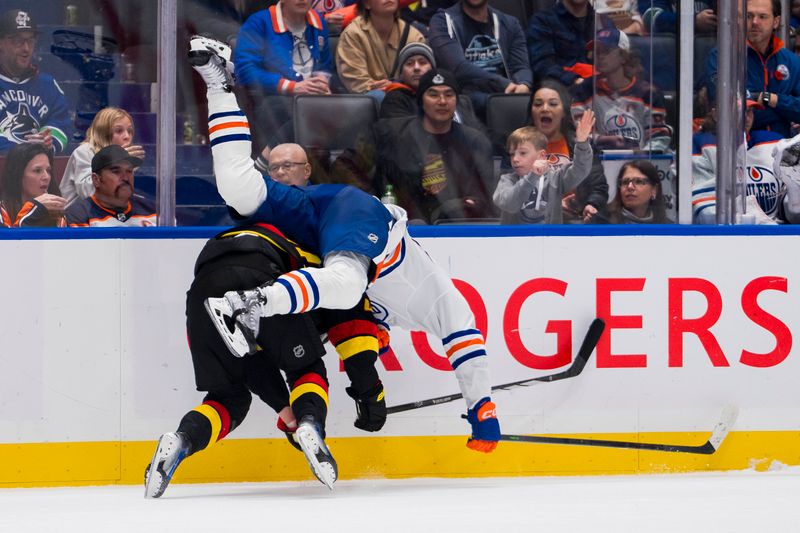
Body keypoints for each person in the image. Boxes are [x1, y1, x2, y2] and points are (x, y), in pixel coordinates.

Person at [189, 36, 501, 456]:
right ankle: (254, 303)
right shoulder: (440, 296)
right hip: (363, 219)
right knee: (347, 281)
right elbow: (467, 342)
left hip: (319, 217)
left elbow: (363, 325)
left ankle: (218, 84)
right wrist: (482, 406)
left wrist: (370, 369)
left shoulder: (390, 312)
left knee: (238, 189)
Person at [145, 220, 386, 497]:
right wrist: (368, 395)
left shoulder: (285, 225)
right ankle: (311, 423)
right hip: (263, 278)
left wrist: (285, 411)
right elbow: (352, 333)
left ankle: (181, 439)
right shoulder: (342, 266)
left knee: (228, 397)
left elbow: (252, 365)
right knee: (306, 369)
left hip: (202, 292)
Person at [373, 69, 496, 223]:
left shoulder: (475, 142)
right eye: (433, 94)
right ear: (421, 101)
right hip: (403, 227)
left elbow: (484, 199)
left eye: (449, 95)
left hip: (457, 229)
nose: (442, 101)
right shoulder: (394, 136)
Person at [231, 1, 334, 147]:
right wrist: (291, 87)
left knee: (349, 112)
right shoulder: (259, 22)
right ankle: (269, 160)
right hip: (274, 97)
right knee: (291, 111)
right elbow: (244, 70)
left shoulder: (318, 20)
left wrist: (322, 81)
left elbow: (324, 63)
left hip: (312, 97)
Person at [702, 0, 800, 138]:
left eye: (762, 17)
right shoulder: (723, 56)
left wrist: (768, 98)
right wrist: (786, 113)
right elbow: (732, 108)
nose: (754, 22)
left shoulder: (792, 61)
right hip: (737, 148)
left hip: (782, 149)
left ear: (776, 22)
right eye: (748, 16)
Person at [691, 95, 794, 224]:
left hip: (779, 236)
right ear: (716, 115)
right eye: (738, 111)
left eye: (749, 111)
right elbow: (706, 211)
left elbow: (790, 206)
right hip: (727, 239)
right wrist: (763, 225)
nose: (746, 117)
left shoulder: (775, 142)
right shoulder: (700, 146)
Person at [570, 28, 672, 152]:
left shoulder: (648, 93)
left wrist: (640, 158)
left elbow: (657, 139)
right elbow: (582, 138)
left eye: (606, 51)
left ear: (623, 56)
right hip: (600, 166)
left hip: (641, 166)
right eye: (597, 52)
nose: (600, 56)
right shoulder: (584, 91)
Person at [427, 0, 532, 118]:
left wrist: (524, 84)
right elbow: (458, 68)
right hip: (466, 103)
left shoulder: (510, 23)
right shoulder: (443, 22)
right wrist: (504, 84)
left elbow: (521, 67)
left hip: (506, 98)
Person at [527, 80, 608, 223]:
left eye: (552, 104)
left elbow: (598, 187)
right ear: (531, 110)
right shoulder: (518, 147)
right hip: (532, 225)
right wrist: (552, 207)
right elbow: (511, 193)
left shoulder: (581, 145)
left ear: (564, 111)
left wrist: (590, 205)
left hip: (575, 223)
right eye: (538, 104)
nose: (545, 109)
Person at [493, 112, 595, 224]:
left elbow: (581, 169)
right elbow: (510, 205)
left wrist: (582, 143)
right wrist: (532, 177)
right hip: (514, 240)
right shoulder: (507, 180)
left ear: (541, 156)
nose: (515, 159)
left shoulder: (556, 179)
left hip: (549, 239)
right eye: (512, 154)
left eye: (522, 153)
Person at [0, 9, 71, 154]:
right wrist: (22, 153)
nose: (26, 48)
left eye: (30, 41)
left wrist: (47, 141)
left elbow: (62, 126)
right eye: (18, 41)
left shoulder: (48, 85)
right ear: (1, 43)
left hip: (38, 171)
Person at [379, 42, 483, 131]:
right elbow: (401, 139)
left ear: (433, 70)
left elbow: (482, 135)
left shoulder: (462, 101)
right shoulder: (395, 100)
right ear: (401, 74)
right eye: (409, 63)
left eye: (422, 62)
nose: (416, 68)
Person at [335, 0, 425, 101]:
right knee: (378, 96)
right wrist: (386, 88)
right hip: (369, 99)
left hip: (406, 94)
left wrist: (395, 87)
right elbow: (355, 80)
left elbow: (423, 76)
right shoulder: (353, 34)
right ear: (366, 4)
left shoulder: (413, 35)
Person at [59, 107, 145, 207]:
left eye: (130, 131)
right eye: (119, 131)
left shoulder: (126, 159)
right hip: (80, 217)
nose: (127, 136)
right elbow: (89, 193)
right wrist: (117, 161)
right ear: (103, 133)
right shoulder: (85, 151)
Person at [64, 145, 156, 227]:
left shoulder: (153, 210)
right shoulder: (78, 214)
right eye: (116, 171)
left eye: (129, 171)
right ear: (96, 179)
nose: (125, 177)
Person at [526, 0, 595, 88]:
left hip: (600, 94)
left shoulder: (602, 21)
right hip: (562, 92)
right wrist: (574, 80)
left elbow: (613, 61)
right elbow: (542, 65)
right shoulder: (542, 21)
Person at [0, 142, 65, 227]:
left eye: (48, 171)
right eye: (37, 171)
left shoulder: (56, 215)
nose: (46, 177)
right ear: (17, 174)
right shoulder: (2, 213)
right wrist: (33, 210)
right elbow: (15, 239)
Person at [595, 160, 671, 224]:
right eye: (625, 182)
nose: (630, 187)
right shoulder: (601, 222)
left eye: (639, 181)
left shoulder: (667, 226)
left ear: (654, 190)